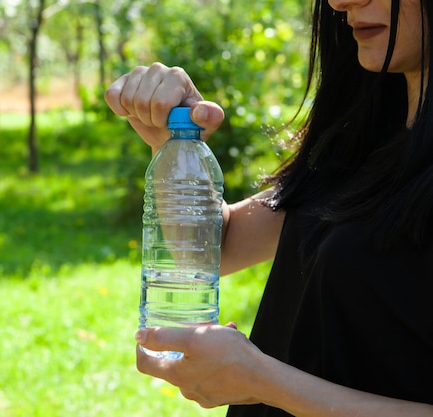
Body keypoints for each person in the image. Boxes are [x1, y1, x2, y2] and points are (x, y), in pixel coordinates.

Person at [104, 0, 433, 416]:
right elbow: (217, 248)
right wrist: (172, 143)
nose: (339, 2)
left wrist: (262, 380)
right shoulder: (364, 140)